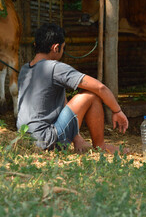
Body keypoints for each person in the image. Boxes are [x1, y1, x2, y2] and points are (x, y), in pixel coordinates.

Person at [16, 23, 129, 153]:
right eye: (63, 48)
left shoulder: (25, 69)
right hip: (47, 141)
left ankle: (80, 139)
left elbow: (63, 104)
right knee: (90, 95)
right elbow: (100, 87)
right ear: (56, 48)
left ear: (36, 45)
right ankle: (100, 145)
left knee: (64, 94)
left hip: (25, 139)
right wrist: (117, 111)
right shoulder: (54, 67)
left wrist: (77, 138)